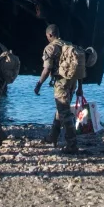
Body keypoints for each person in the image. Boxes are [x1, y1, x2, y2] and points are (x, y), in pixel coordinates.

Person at [34, 24, 82, 154]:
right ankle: (53, 136)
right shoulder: (69, 45)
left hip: (61, 83)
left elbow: (47, 68)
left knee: (64, 113)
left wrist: (39, 83)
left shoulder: (50, 48)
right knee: (61, 110)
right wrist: (80, 88)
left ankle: (72, 144)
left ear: (49, 35)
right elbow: (79, 67)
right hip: (72, 82)